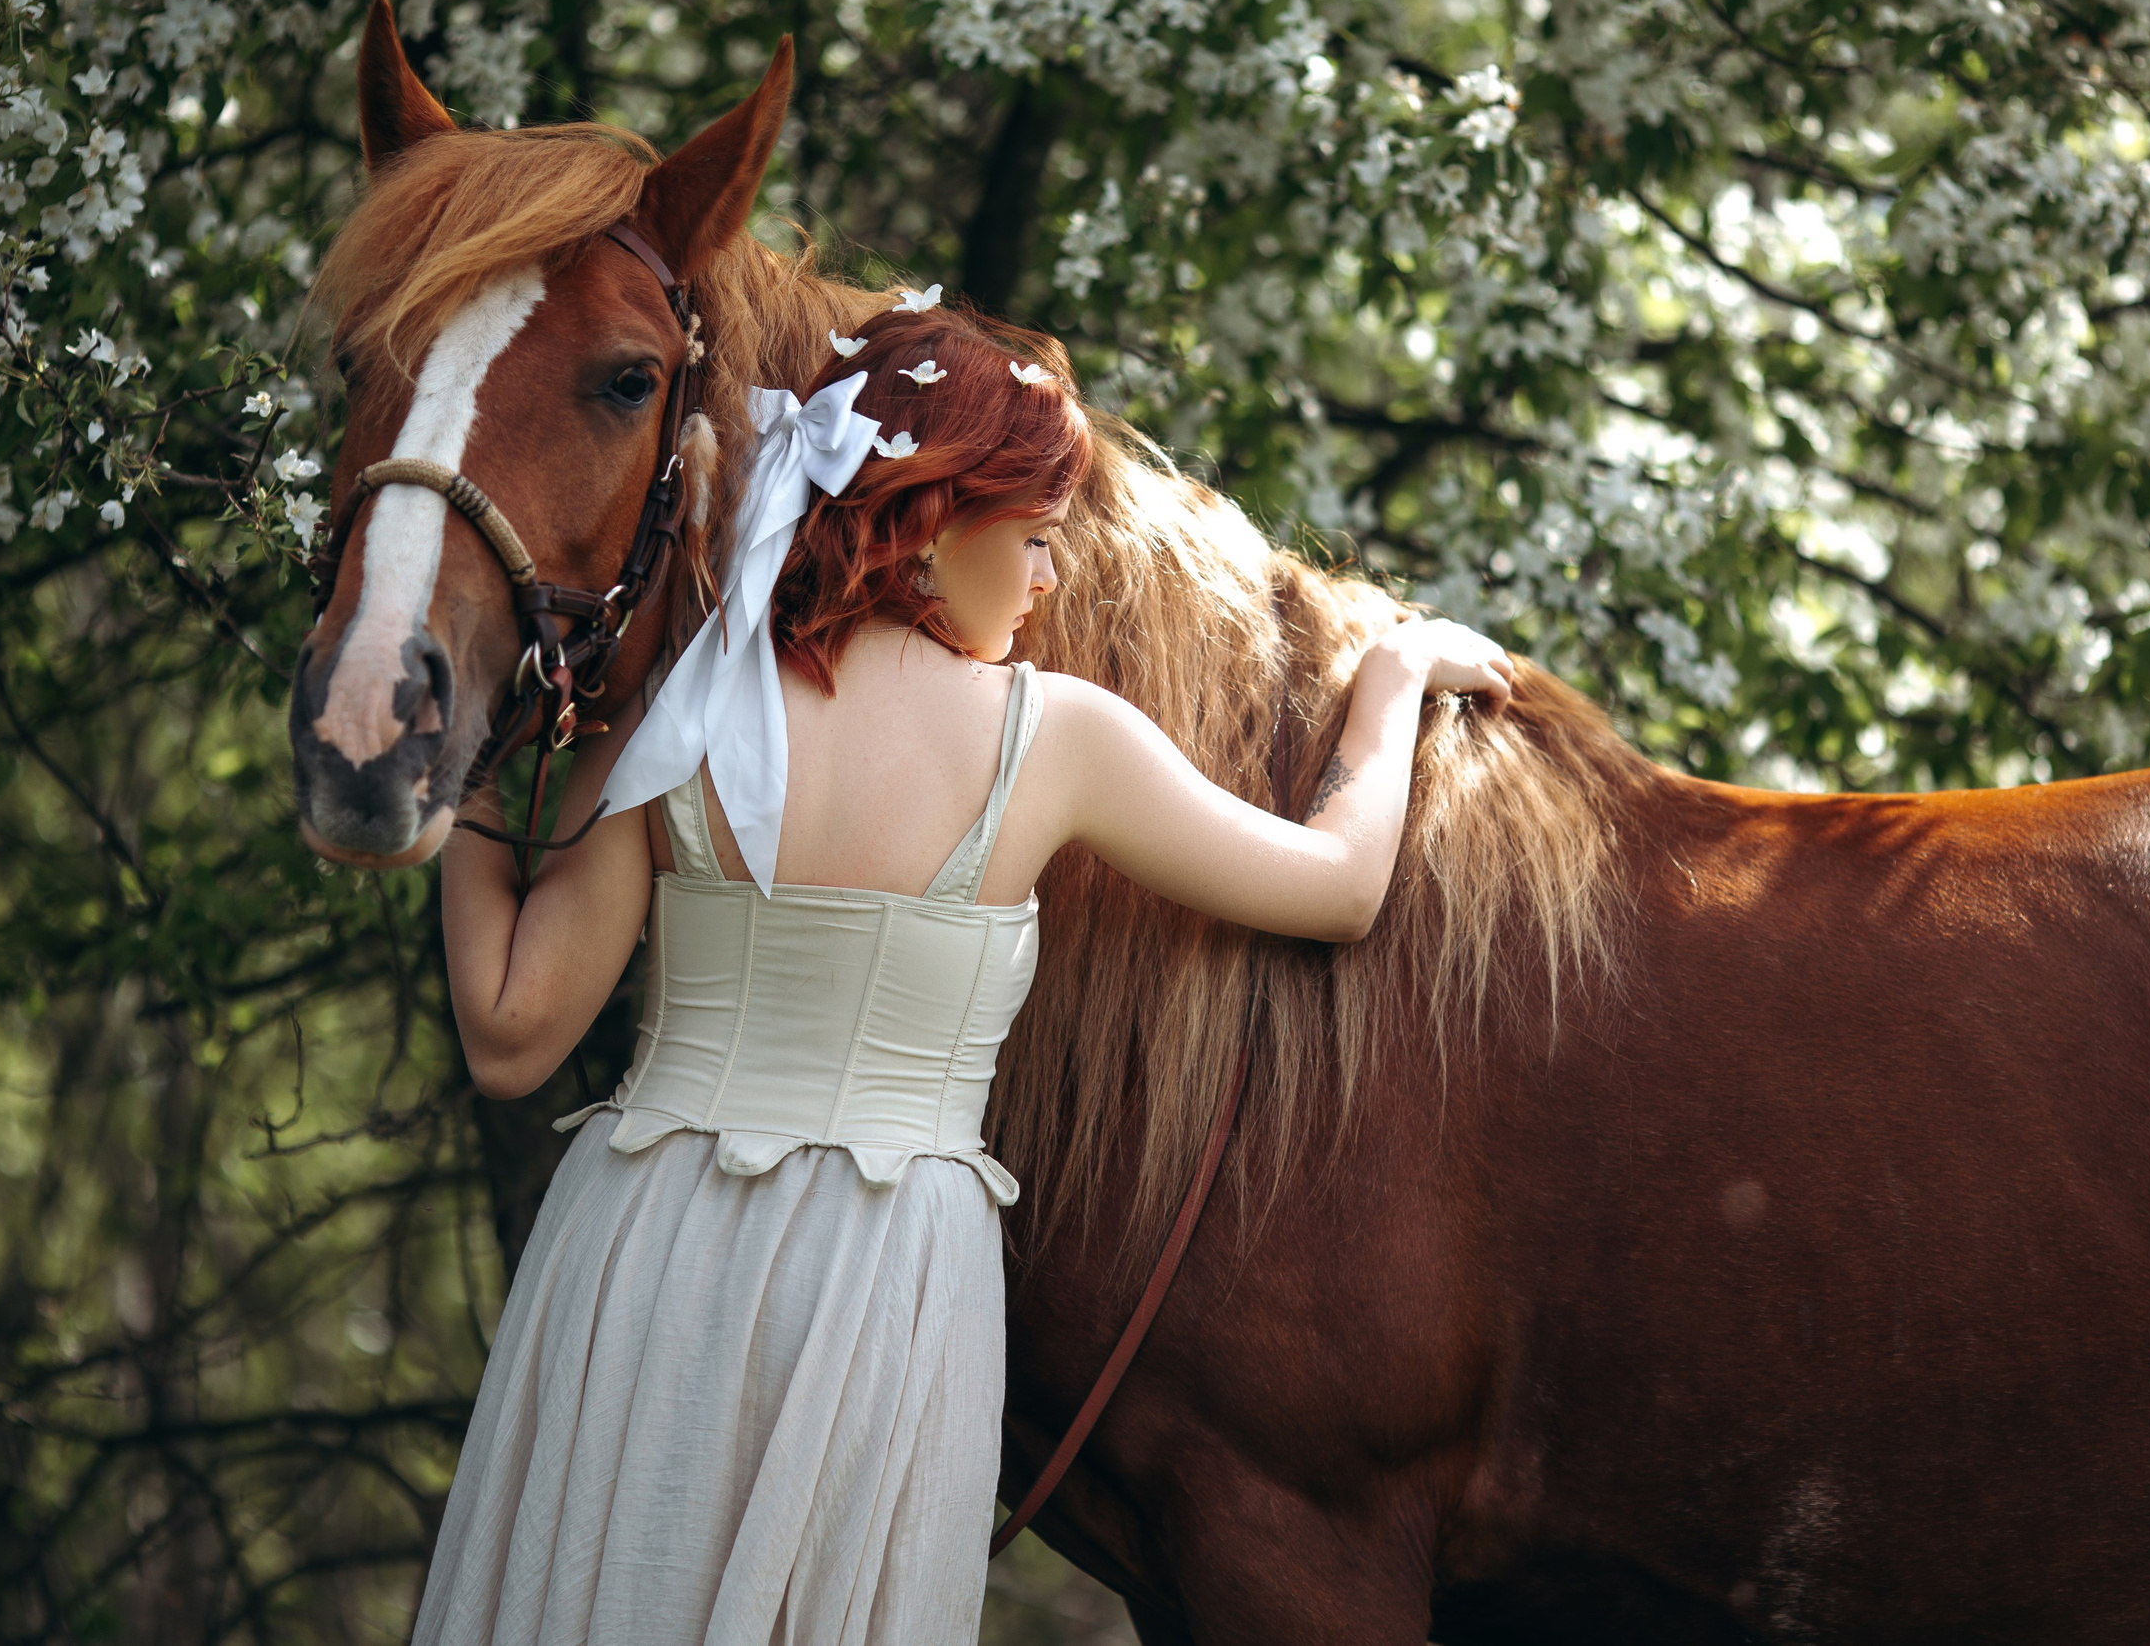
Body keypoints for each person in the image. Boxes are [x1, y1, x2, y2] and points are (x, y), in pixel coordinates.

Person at [414, 298, 1514, 1646]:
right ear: (936, 524)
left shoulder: (685, 716)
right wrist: (1393, 676)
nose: (1050, 578)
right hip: (877, 1277)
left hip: (640, 1241)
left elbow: (511, 1032)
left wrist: (457, 780)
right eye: (1037, 537)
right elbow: (1340, 890)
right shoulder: (1046, 738)